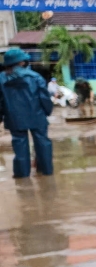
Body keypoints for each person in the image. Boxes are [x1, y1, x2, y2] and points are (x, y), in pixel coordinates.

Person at [0, 48, 54, 178]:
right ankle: (46, 171)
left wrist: (2, 117)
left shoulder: (1, 78)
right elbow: (45, 98)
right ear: (22, 62)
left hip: (14, 118)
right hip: (37, 115)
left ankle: (22, 174)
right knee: (43, 143)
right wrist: (47, 112)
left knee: (19, 144)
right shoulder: (35, 77)